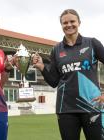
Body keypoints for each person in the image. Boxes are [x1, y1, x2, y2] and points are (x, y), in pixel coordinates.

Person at [32, 9, 104, 140]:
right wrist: (42, 67)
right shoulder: (56, 50)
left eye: (72, 21)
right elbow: (54, 82)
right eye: (65, 22)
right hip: (66, 109)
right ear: (61, 25)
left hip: (91, 106)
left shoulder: (92, 43)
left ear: (79, 22)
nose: (69, 25)